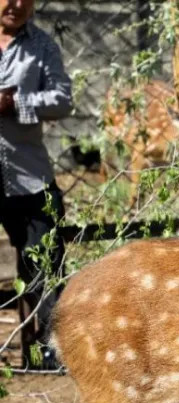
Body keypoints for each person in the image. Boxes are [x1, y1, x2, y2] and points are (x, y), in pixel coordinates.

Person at [0, 0, 72, 370]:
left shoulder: (42, 46)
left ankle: (51, 351)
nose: (16, 5)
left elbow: (63, 99)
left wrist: (16, 103)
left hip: (28, 176)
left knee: (43, 262)